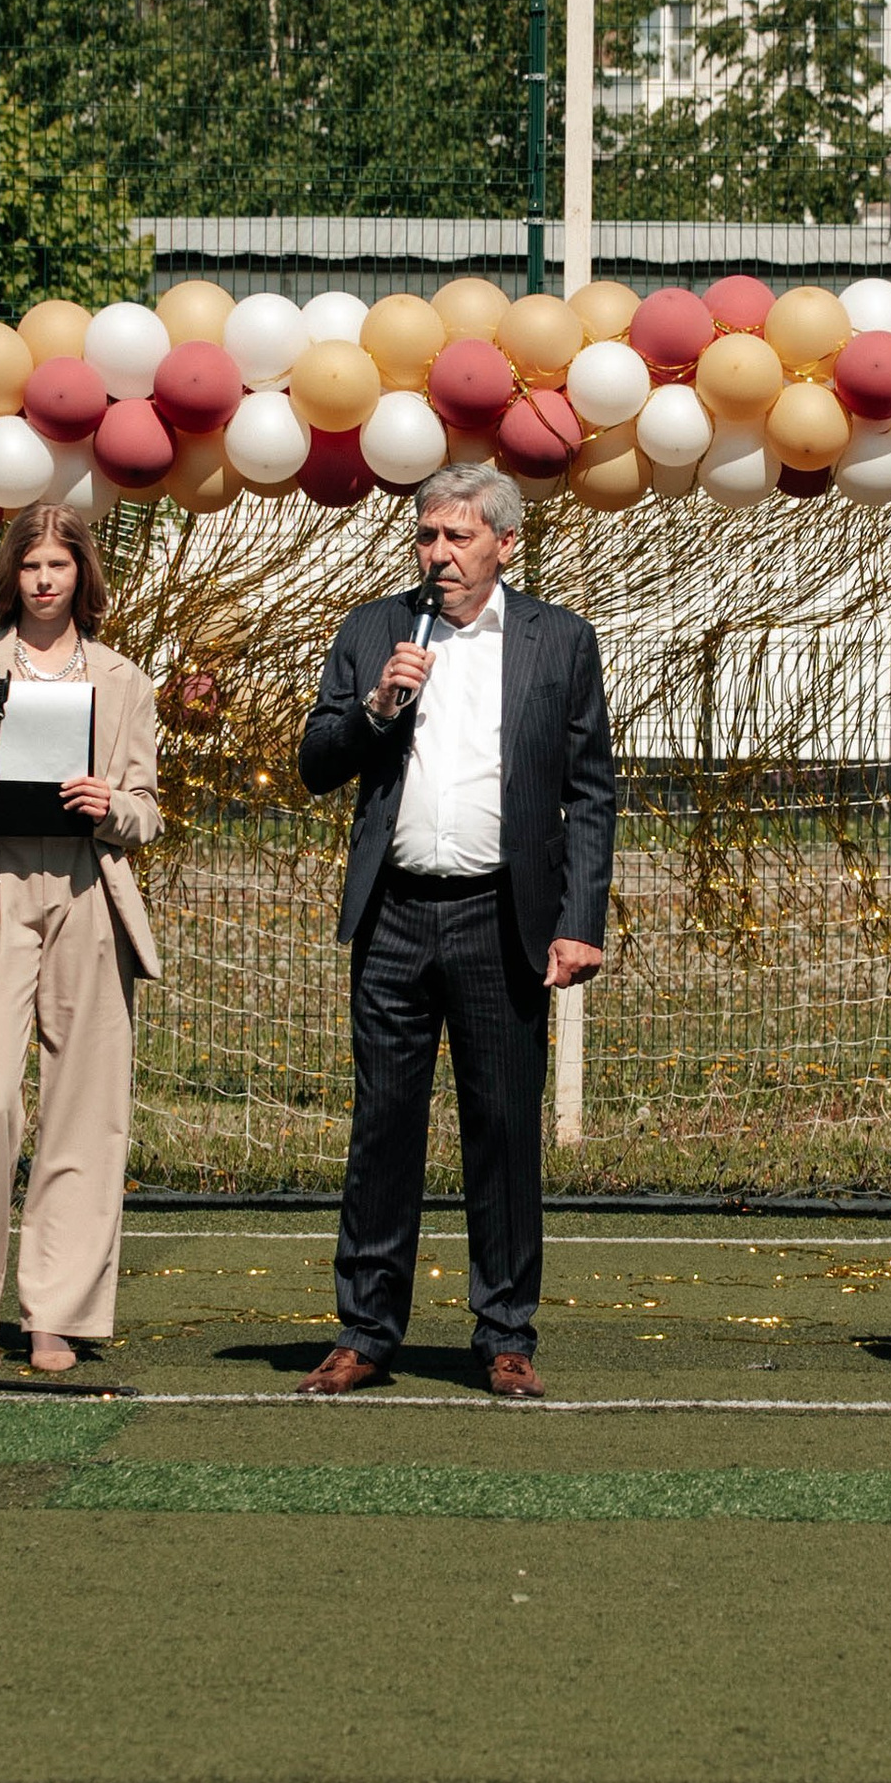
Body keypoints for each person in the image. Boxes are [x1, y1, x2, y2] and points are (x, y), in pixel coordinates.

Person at [295, 462, 614, 1402]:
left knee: (504, 1130)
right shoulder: (373, 630)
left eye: (458, 537)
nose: (439, 554)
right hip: (394, 913)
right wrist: (376, 708)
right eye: (427, 536)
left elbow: (590, 792)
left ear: (505, 545)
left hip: (500, 915)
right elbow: (317, 761)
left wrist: (579, 920)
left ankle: (505, 1333)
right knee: (383, 1128)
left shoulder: (561, 641)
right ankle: (366, 1332)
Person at [0, 500, 162, 1379]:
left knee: (83, 1111)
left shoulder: (123, 679)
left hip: (91, 891)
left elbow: (147, 809)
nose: (45, 579)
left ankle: (56, 1314)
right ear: (10, 577)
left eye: (60, 565)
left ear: (82, 575)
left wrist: (113, 806)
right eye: (30, 566)